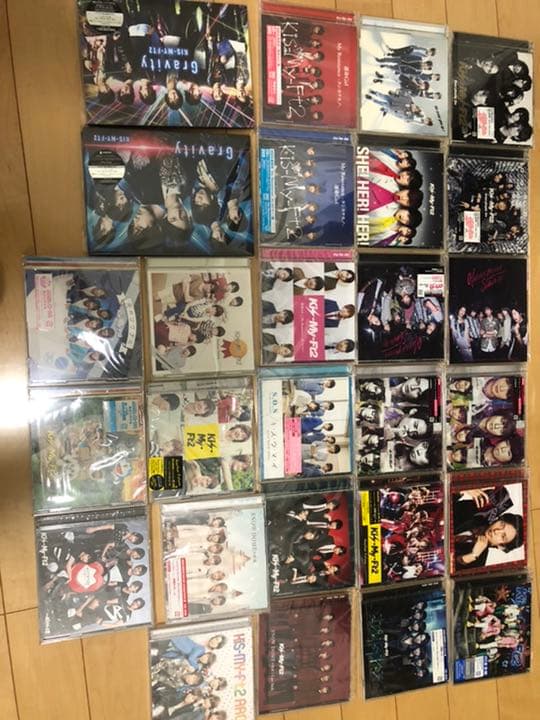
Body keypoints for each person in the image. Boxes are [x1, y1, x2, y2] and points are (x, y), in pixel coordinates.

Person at [452, 487, 524, 569]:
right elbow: (445, 505)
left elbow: (445, 571)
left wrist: (472, 555)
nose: (497, 531)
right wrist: (461, 490)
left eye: (503, 536)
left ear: (501, 546)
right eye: (502, 524)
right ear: (497, 519)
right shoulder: (473, 512)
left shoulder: (479, 562)